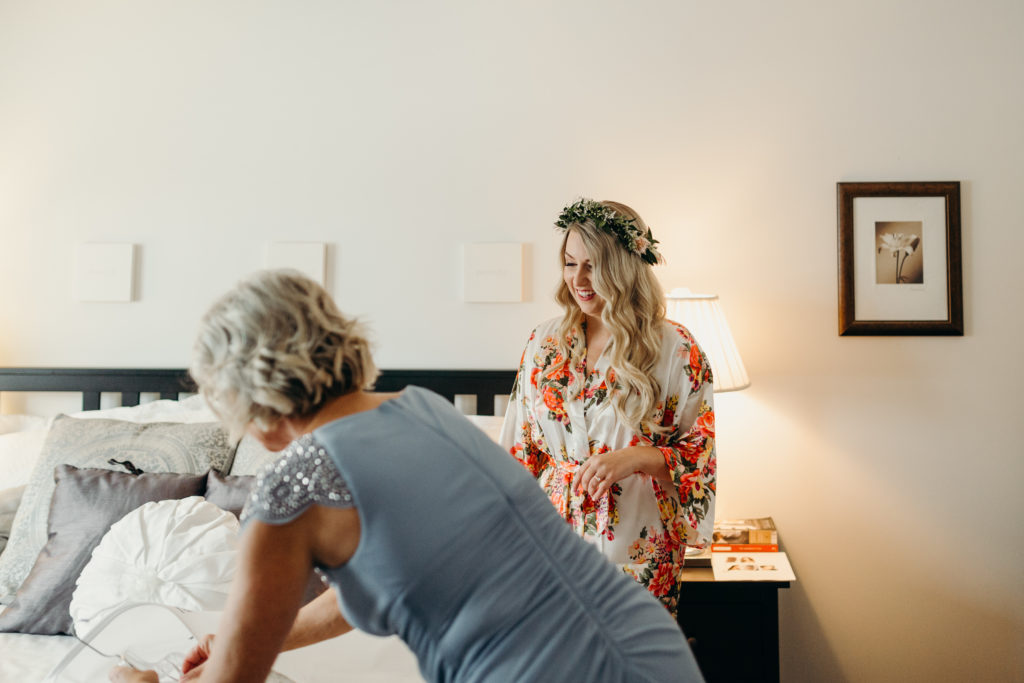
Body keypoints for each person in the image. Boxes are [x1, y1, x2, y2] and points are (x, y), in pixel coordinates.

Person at [109, 269, 703, 683]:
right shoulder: (425, 409)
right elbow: (381, 582)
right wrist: (253, 639)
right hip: (647, 645)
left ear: (245, 396)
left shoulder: (293, 487)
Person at [499, 198, 716, 616]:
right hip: (552, 541)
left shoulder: (676, 349)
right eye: (569, 263)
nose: (578, 279)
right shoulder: (544, 344)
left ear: (624, 266)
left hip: (638, 538)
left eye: (593, 265)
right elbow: (519, 452)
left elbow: (699, 456)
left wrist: (636, 457)